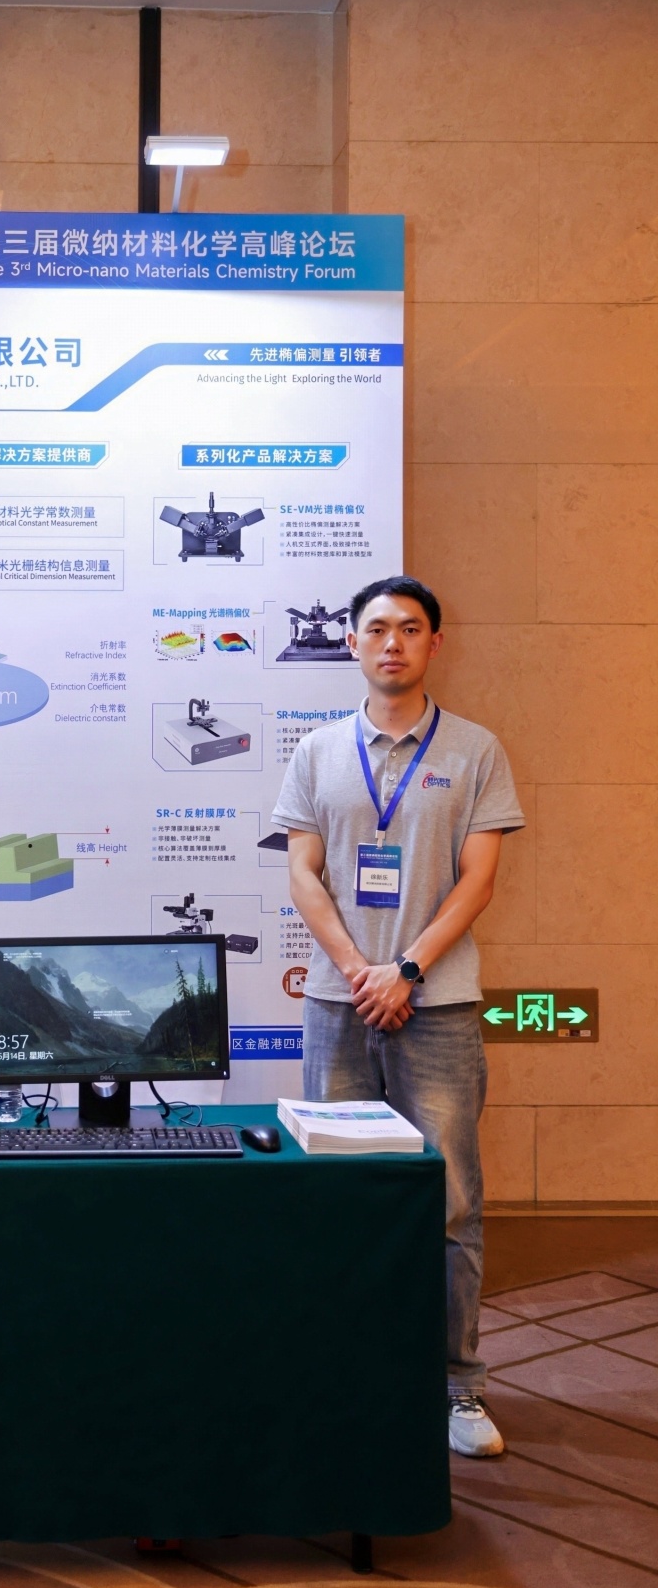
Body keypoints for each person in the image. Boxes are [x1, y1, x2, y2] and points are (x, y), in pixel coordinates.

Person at [272, 576, 524, 1458]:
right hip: (339, 1005)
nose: (392, 643)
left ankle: (460, 1386)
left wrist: (407, 970)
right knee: (335, 1193)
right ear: (350, 642)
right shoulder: (316, 751)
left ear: (434, 644)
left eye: (410, 629)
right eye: (376, 629)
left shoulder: (477, 749)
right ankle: (347, 1372)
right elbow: (303, 873)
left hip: (438, 1004)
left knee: (450, 1203)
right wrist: (359, 971)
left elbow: (478, 880)